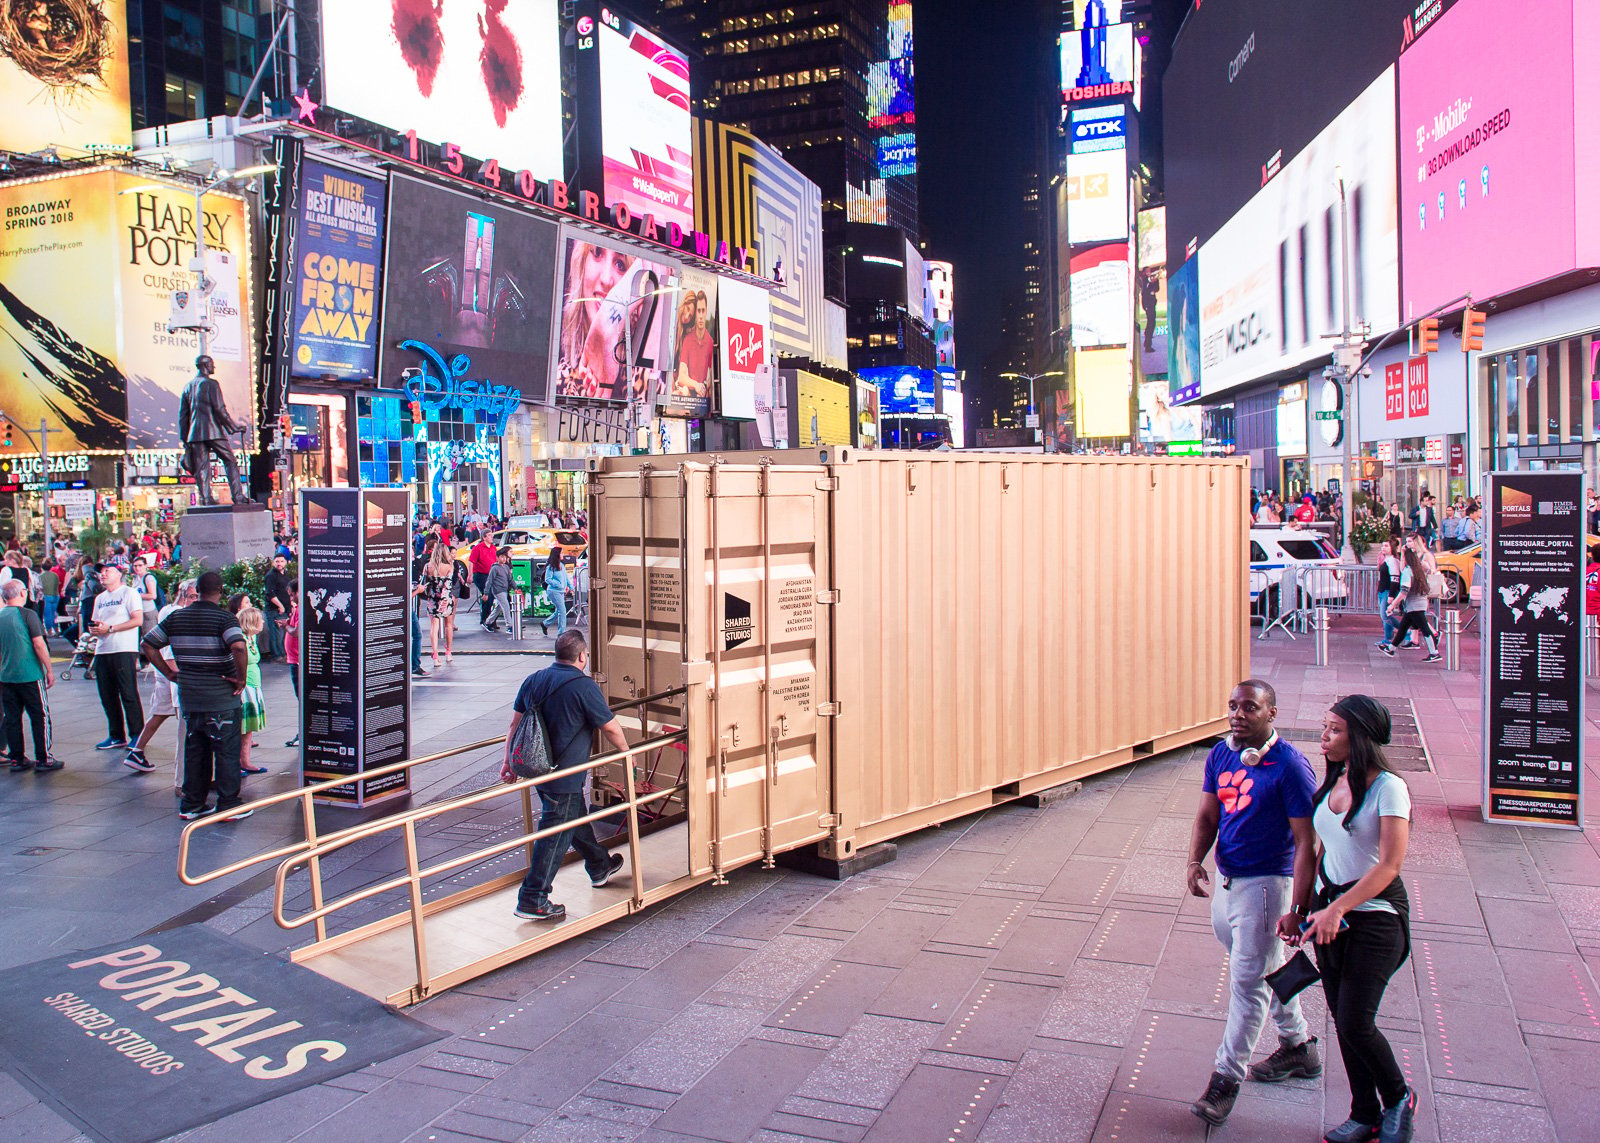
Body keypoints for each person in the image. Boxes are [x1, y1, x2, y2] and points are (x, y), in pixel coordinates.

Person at [1187, 679, 1320, 1127]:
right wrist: (1194, 860)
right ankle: (1299, 1047)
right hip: (1227, 881)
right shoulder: (1221, 754)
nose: (1238, 714)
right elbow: (1208, 814)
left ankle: (1225, 1080)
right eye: (1233, 706)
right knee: (1264, 968)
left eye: (1250, 707)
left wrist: (1297, 908)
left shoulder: (1291, 767)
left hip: (1266, 887)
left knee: (1247, 984)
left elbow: (1307, 844)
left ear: (1272, 714)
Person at [1289, 695, 1416, 1143]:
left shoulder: (1389, 788)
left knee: (1358, 1020)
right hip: (1330, 917)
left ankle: (1399, 1099)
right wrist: (1300, 909)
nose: (1324, 736)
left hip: (1377, 918)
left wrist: (1337, 908)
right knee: (1344, 1023)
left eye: (1335, 729)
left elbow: (1389, 866)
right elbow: (1319, 850)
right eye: (1325, 727)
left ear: (1360, 735)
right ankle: (1364, 1112)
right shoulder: (1335, 779)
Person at [502, 629, 627, 921]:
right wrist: (626, 752)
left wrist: (508, 761)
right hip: (565, 775)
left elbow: (514, 724)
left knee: (574, 819)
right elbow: (609, 726)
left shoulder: (534, 680)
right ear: (583, 656)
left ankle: (599, 865)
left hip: (538, 770)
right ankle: (533, 898)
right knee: (555, 834)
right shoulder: (583, 686)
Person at [142, 571, 250, 821]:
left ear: (197, 591)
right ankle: (228, 805)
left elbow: (148, 644)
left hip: (190, 696)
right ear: (220, 591)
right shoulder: (224, 619)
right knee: (226, 752)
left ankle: (192, 804)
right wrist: (241, 678)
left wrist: (169, 672)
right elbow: (238, 646)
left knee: (195, 751)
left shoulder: (177, 618)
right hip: (221, 697)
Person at [124, 577, 196, 775]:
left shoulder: (166, 610)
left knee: (159, 713)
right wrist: (177, 675)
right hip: (172, 673)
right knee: (184, 724)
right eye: (193, 596)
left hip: (163, 671)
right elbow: (172, 651)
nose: (196, 600)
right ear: (183, 595)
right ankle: (182, 777)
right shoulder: (179, 614)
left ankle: (137, 750)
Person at [0, 578, 57, 772]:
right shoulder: (27, 615)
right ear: (22, 593)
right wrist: (49, 670)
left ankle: (17, 759)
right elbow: (39, 644)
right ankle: (44, 759)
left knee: (12, 717)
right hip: (30, 675)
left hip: (7, 677)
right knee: (40, 716)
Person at [89, 564, 145, 750]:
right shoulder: (100, 598)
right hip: (103, 649)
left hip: (123, 648)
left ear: (119, 574)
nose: (103, 574)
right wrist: (96, 629)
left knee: (128, 692)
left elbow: (138, 620)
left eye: (108, 571)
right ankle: (116, 735)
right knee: (107, 694)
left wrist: (111, 628)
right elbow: (97, 621)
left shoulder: (128, 593)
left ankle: (137, 733)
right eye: (102, 572)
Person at [1378, 546, 1440, 661]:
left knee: (1425, 629)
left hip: (1413, 605)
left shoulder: (1408, 571)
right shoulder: (1419, 569)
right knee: (1403, 627)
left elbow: (1404, 591)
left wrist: (1392, 605)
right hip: (1419, 603)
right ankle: (1391, 648)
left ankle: (1434, 652)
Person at [235, 604, 269, 777]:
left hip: (254, 684)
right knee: (241, 725)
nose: (262, 622)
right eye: (259, 620)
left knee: (248, 727)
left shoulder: (251, 639)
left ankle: (245, 761)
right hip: (245, 686)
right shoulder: (240, 639)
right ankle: (237, 763)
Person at [420, 543, 456, 666]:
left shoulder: (427, 566)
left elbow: (424, 583)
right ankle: (448, 652)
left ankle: (435, 655)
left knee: (434, 627)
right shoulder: (449, 567)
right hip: (445, 599)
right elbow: (448, 584)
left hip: (432, 599)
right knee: (448, 625)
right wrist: (444, 599)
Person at [262, 553, 292, 662]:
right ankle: (277, 656)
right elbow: (270, 594)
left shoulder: (285, 574)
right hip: (274, 609)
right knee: (275, 633)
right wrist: (280, 606)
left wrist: (291, 604)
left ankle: (283, 653)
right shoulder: (271, 576)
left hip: (285, 609)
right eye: (277, 561)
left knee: (282, 633)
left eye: (281, 561)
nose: (279, 564)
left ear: (286, 562)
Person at [1374, 538, 1403, 650]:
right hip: (1382, 590)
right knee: (1386, 615)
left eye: (1386, 545)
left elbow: (1395, 579)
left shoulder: (1393, 561)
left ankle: (1404, 630)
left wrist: (1391, 595)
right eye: (1383, 545)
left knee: (1385, 615)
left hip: (1387, 590)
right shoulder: (1386, 560)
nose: (1383, 548)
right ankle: (1388, 637)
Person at [284, 581, 301, 749]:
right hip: (294, 659)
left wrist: (286, 626)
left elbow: (296, 632)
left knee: (302, 699)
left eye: (292, 594)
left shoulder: (301, 608)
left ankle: (302, 732)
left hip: (297, 661)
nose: (291, 598)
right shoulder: (297, 609)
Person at [541, 548, 572, 637]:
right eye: (561, 553)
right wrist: (558, 584)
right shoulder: (551, 567)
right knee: (562, 610)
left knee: (558, 610)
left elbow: (566, 577)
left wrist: (571, 587)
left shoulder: (561, 565)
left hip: (561, 591)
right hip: (554, 591)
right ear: (557, 555)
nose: (563, 554)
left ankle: (545, 624)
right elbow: (547, 579)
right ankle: (561, 632)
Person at [483, 547, 514, 632]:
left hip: (504, 590)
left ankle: (488, 622)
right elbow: (489, 581)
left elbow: (510, 579)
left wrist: (515, 588)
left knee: (499, 607)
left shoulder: (506, 567)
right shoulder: (494, 568)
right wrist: (486, 593)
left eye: (505, 557)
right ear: (497, 558)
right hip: (498, 591)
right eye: (502, 557)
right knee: (506, 606)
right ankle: (509, 626)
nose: (504, 559)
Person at [470, 533, 498, 626]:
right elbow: (471, 561)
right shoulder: (478, 548)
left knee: (493, 596)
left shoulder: (493, 547)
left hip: (491, 575)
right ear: (484, 537)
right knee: (487, 595)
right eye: (489, 535)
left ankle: (491, 619)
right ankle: (485, 619)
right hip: (481, 575)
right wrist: (470, 575)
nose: (491, 537)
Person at [39, 559, 60, 638]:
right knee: (54, 613)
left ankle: (49, 631)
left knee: (47, 615)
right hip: (55, 595)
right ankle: (56, 629)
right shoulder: (55, 575)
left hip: (46, 596)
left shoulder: (40, 576)